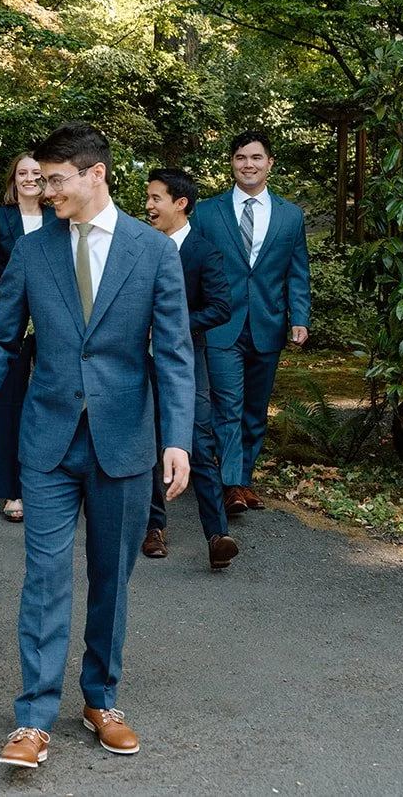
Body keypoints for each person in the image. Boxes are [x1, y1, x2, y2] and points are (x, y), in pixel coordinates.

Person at [0, 121, 195, 770]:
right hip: (48, 441)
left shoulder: (153, 251)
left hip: (124, 443)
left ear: (95, 174)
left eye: (56, 179)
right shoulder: (34, 250)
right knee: (46, 578)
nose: (45, 190)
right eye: (42, 178)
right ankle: (32, 717)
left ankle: (100, 700)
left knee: (112, 578)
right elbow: (1, 340)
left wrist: (179, 440)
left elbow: (172, 354)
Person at [195, 131, 312, 513]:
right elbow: (191, 266)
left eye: (256, 157)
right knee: (228, 405)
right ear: (231, 162)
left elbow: (297, 272)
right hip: (220, 325)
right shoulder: (207, 212)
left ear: (269, 163)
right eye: (241, 157)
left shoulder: (290, 215)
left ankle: (243, 480)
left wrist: (300, 318)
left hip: (268, 323)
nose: (249, 164)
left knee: (255, 410)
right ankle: (230, 486)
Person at [141, 169, 237, 570]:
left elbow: (220, 307)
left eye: (155, 198)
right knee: (150, 440)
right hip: (139, 360)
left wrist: (173, 323)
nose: (147, 205)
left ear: (180, 204)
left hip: (187, 360)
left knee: (198, 440)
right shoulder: (140, 245)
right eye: (147, 198)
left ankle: (217, 536)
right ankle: (153, 528)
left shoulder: (203, 252)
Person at [0, 153, 55, 523]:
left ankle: (55, 481)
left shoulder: (60, 214)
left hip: (54, 320)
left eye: (36, 173)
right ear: (14, 178)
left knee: (55, 397)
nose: (29, 178)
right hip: (11, 320)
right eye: (22, 173)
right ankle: (12, 490)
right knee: (10, 401)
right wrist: (3, 306)